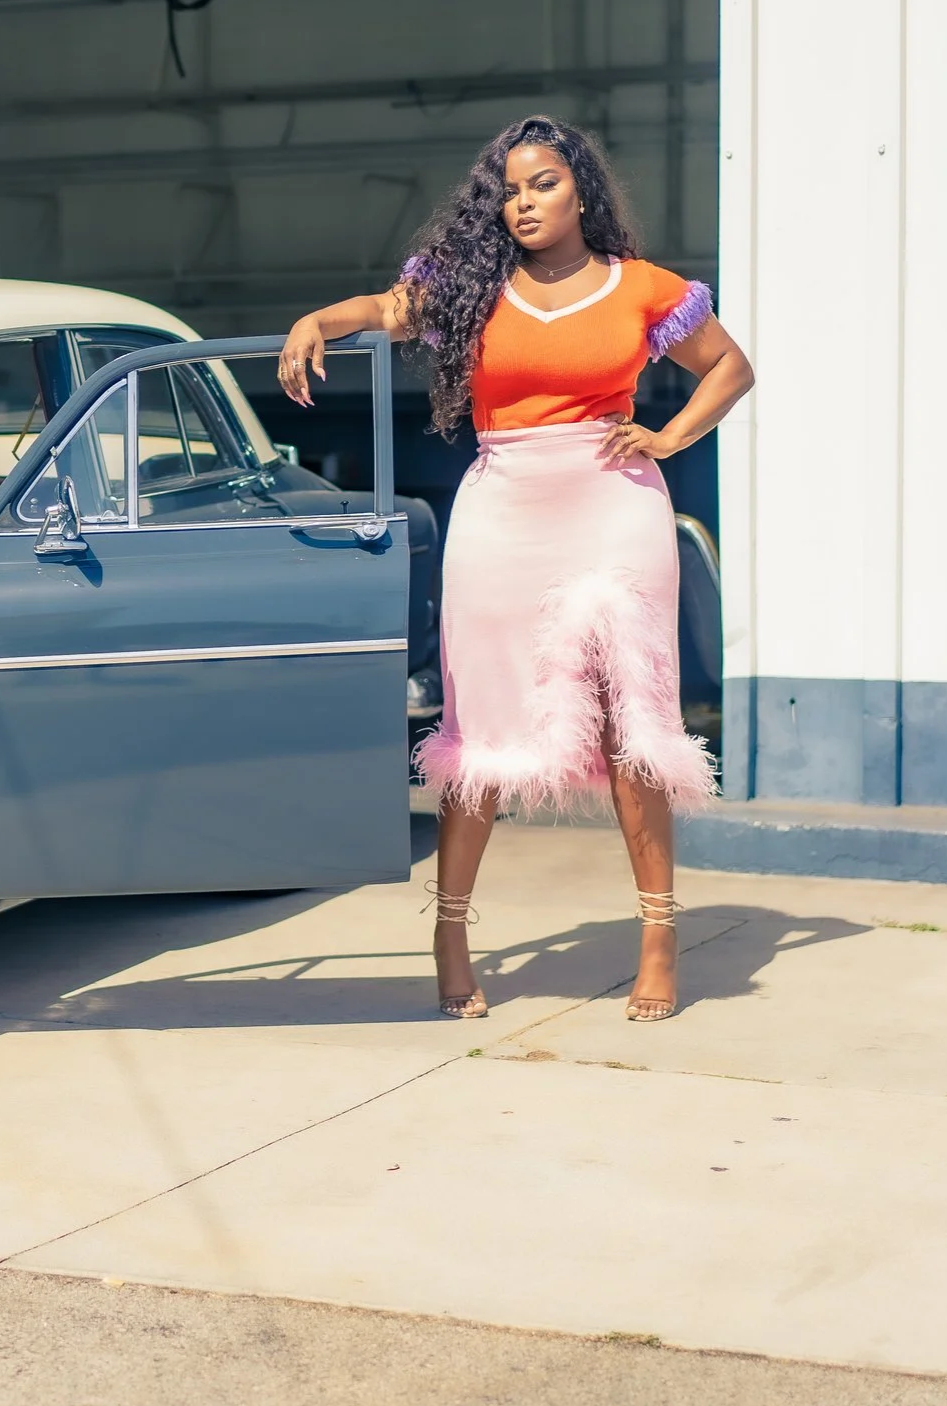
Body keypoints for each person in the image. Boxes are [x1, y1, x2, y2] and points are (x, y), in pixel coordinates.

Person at [278, 115, 754, 1023]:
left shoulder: (640, 288)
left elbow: (729, 365)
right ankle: (450, 928)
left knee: (630, 725)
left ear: (581, 189)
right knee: (483, 733)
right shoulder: (469, 285)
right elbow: (385, 309)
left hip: (613, 503)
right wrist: (315, 320)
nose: (524, 202)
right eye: (509, 189)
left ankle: (659, 933)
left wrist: (669, 434)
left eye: (542, 184)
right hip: (502, 509)